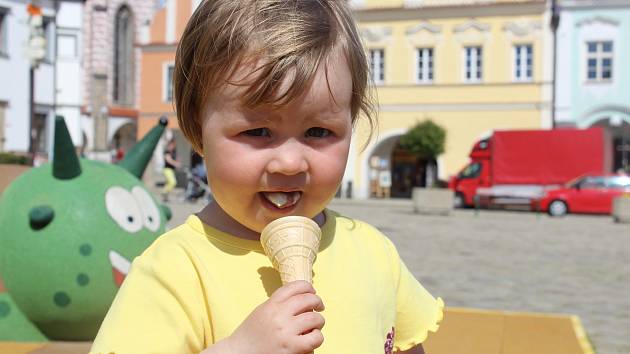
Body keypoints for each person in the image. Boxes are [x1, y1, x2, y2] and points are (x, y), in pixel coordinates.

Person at [90, 1, 443, 353]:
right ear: (198, 131)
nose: (289, 163)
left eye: (319, 132)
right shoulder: (173, 271)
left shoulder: (374, 253)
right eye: (258, 131)